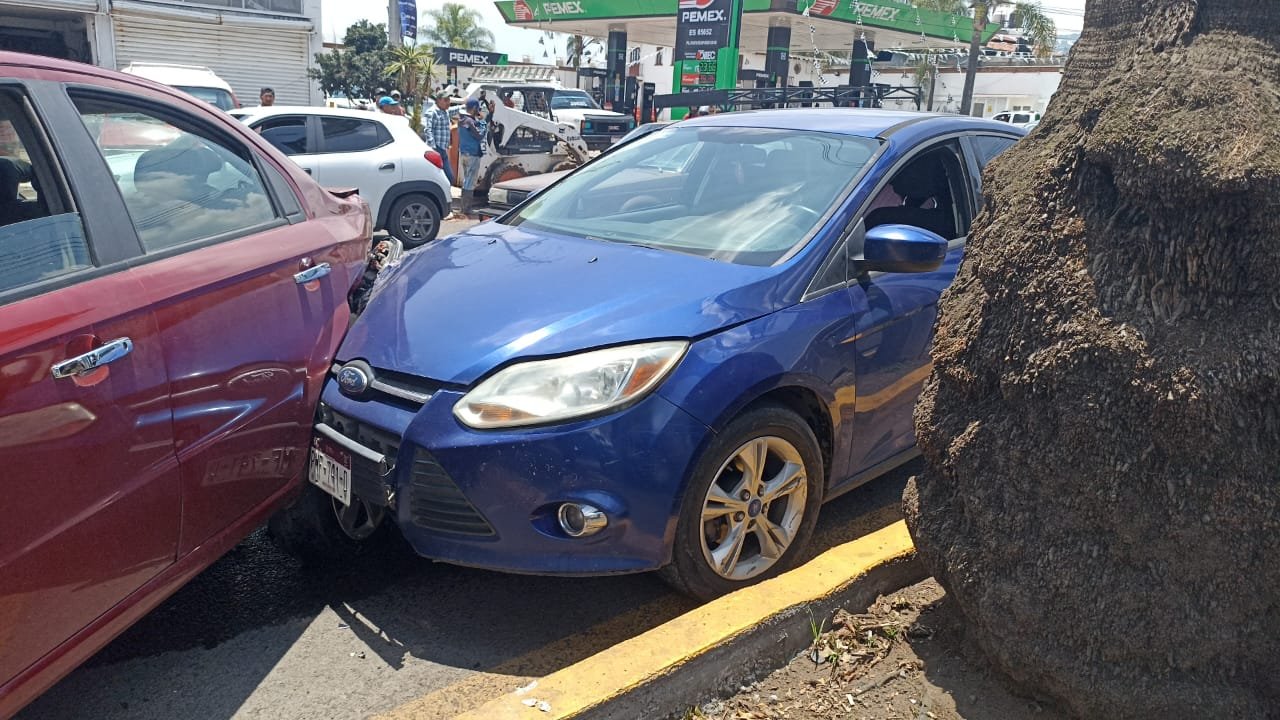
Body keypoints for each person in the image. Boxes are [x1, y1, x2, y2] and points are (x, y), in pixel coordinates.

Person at [423, 95, 460, 213]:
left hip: (443, 150)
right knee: (438, 179)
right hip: (436, 150)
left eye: (449, 100)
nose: (448, 102)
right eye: (446, 100)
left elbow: (456, 109)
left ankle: (445, 205)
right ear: (438, 100)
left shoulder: (445, 112)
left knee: (449, 178)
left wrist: (466, 102)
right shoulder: (432, 112)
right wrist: (433, 147)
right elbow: (428, 129)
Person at [457, 98, 486, 217]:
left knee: (466, 181)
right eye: (477, 109)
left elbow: (473, 125)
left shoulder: (462, 120)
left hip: (464, 154)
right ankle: (466, 209)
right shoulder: (470, 122)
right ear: (474, 108)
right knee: (470, 182)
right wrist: (483, 122)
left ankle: (463, 207)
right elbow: (479, 135)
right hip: (472, 155)